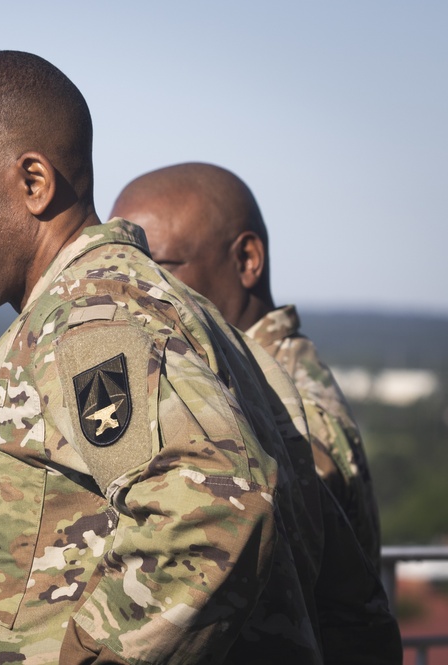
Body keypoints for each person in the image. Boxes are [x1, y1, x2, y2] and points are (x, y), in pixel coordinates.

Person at [0, 51, 365, 663]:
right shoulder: (158, 305)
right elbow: (47, 533)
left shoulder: (93, 323)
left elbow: (210, 514)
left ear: (33, 184)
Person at [109, 162, 382, 569]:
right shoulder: (243, 380)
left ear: (247, 259)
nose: (132, 294)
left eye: (158, 270)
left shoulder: (293, 414)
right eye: (123, 273)